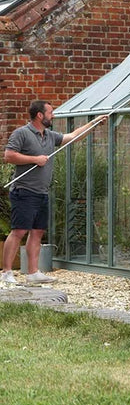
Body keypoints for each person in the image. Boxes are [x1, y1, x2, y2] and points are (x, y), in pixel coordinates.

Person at [1, 101, 108, 285]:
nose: (54, 115)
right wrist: (35, 159)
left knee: (37, 232)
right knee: (19, 231)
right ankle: (6, 272)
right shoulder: (22, 133)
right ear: (40, 115)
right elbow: (9, 156)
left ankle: (33, 272)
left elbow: (74, 136)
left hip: (42, 192)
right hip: (24, 191)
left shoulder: (50, 136)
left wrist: (95, 122)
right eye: (51, 112)